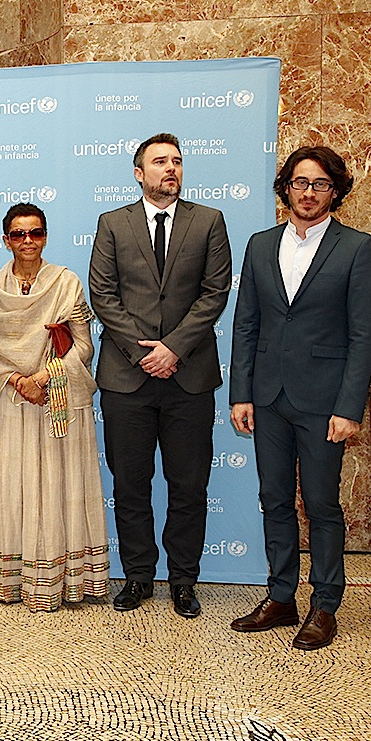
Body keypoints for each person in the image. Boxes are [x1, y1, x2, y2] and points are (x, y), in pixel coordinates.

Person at [229, 145, 371, 651]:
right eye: (300, 182)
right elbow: (246, 324)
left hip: (323, 402)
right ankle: (280, 597)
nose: (308, 192)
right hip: (268, 398)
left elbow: (364, 335)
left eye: (319, 184)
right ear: (286, 188)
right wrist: (241, 393)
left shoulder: (356, 248)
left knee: (321, 504)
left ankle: (325, 605)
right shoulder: (260, 245)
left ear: (335, 192)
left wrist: (349, 407)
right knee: (274, 499)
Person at [89, 133, 232, 619]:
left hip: (188, 377)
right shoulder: (113, 224)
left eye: (177, 161)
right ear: (139, 173)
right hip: (126, 378)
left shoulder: (208, 221)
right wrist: (143, 352)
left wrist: (173, 348)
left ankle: (184, 581)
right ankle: (137, 576)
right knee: (130, 484)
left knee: (188, 486)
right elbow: (103, 294)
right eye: (160, 162)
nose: (171, 168)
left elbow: (214, 293)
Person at [0, 204, 109, 609]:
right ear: (6, 240)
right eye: (18, 234)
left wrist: (45, 376)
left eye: (35, 233)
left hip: (58, 398)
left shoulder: (66, 283)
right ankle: (11, 580)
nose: (27, 241)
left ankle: (66, 580)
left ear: (45, 237)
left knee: (59, 485)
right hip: (13, 399)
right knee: (14, 484)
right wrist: (18, 380)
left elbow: (84, 345)